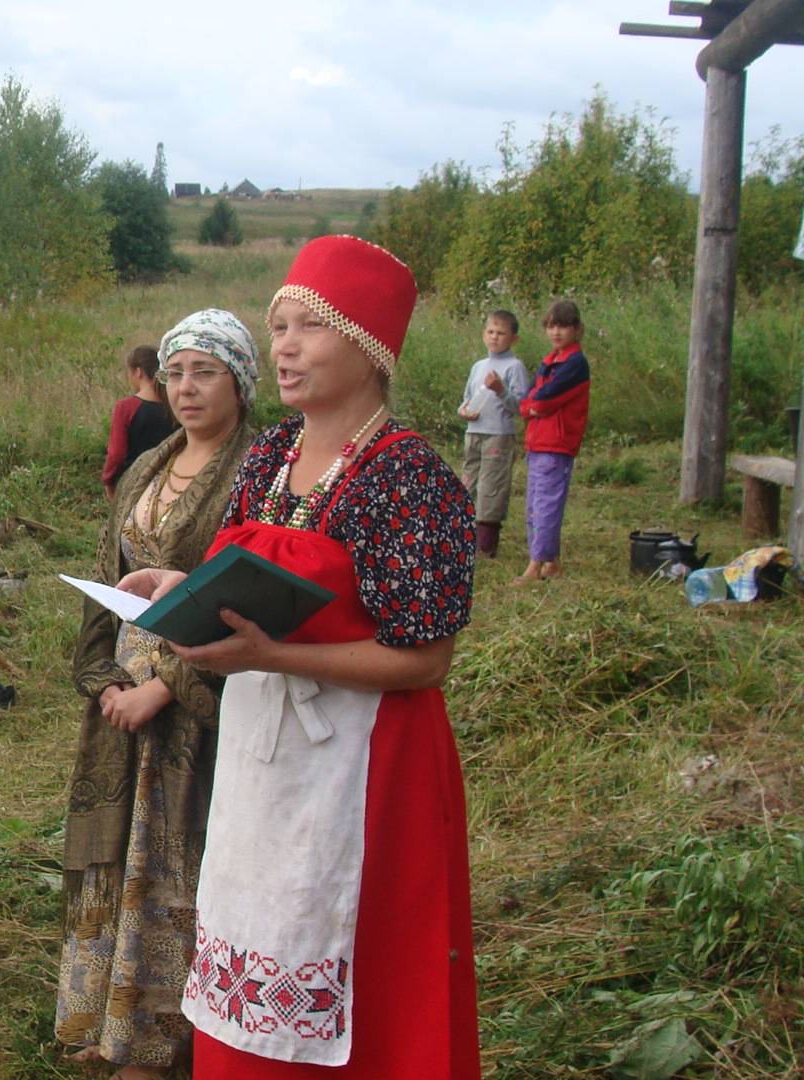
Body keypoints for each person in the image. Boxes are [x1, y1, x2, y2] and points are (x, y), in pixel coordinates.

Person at [128, 236, 479, 1077]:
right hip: (262, 759)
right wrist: (182, 586)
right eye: (276, 325)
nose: (281, 345)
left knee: (359, 970)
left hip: (367, 774)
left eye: (306, 328)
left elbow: (425, 660)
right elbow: (247, 583)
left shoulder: (408, 477)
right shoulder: (272, 459)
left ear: (367, 344)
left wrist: (276, 656)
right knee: (254, 933)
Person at [57, 310, 259, 1080]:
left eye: (205, 372)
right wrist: (107, 676)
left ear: (240, 381)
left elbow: (240, 597)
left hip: (195, 690)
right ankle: (105, 1016)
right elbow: (109, 568)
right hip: (124, 679)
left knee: (170, 859)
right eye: (175, 372)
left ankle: (159, 1038)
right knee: (115, 845)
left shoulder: (252, 475)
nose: (185, 387)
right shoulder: (151, 463)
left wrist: (162, 690)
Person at [514, 299, 591, 585]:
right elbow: (527, 400)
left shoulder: (575, 364)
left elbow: (545, 399)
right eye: (551, 326)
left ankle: (535, 565)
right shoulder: (549, 361)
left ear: (576, 329)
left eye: (563, 326)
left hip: (556, 443)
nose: (557, 332)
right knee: (534, 502)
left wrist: (534, 406)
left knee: (546, 504)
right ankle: (551, 561)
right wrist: (531, 406)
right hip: (538, 441)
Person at [455, 309, 529, 558]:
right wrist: (464, 411)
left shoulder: (514, 367)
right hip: (474, 432)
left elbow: (519, 406)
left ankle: (485, 545)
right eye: (490, 332)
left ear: (513, 339)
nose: (495, 337)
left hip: (498, 434)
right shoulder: (479, 366)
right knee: (469, 482)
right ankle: (464, 539)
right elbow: (466, 398)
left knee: (491, 486)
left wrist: (500, 390)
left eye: (501, 333)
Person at [103, 344, 180, 497]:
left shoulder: (126, 407)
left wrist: (108, 481)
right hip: (169, 485)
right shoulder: (174, 406)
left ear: (138, 372)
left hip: (132, 486)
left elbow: (116, 454)